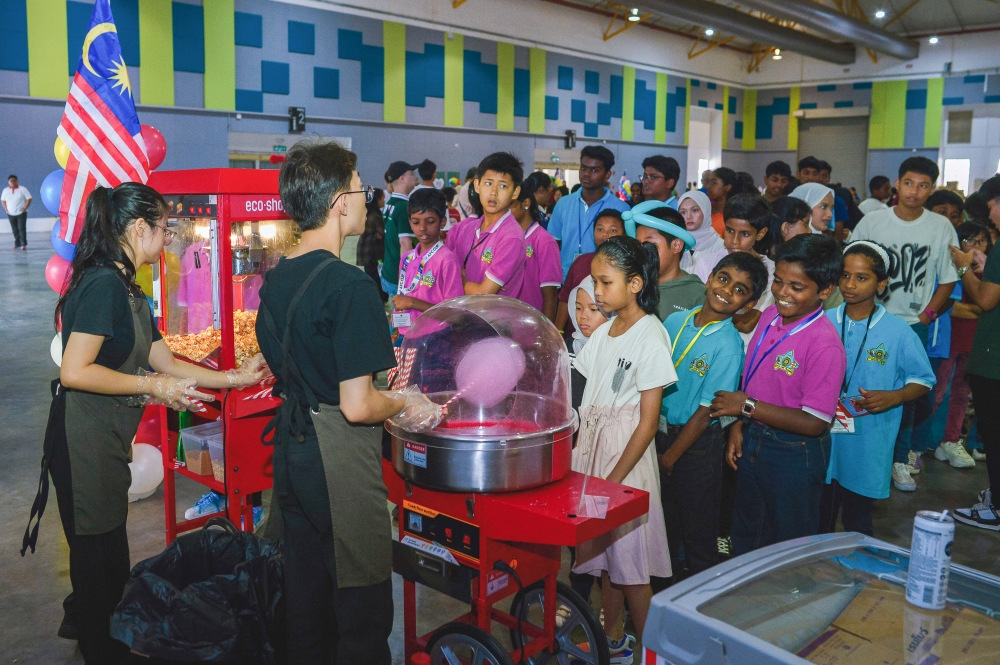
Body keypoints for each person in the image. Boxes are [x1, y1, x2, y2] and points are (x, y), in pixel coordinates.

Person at [19, 183, 268, 663]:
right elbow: (74, 371)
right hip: (82, 442)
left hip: (108, 441)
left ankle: (103, 634)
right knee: (99, 565)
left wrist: (233, 377)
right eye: (164, 227)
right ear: (138, 229)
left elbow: (166, 360)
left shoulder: (128, 286)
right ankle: (99, 646)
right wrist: (150, 386)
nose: (170, 236)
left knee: (110, 556)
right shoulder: (101, 285)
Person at [255, 142, 441, 663]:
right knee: (360, 612)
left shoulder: (276, 279)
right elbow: (358, 405)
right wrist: (406, 400)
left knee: (306, 602)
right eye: (361, 189)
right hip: (338, 462)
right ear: (340, 202)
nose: (367, 200)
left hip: (292, 456)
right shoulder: (350, 286)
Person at [710, 234, 846, 555]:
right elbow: (752, 375)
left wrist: (746, 407)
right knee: (747, 533)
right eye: (779, 282)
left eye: (796, 287)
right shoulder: (771, 315)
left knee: (787, 542)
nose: (783, 293)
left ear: (825, 291)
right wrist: (739, 426)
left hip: (794, 453)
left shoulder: (825, 345)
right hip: (755, 437)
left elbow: (814, 422)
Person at [572, 235, 675, 657]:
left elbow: (648, 423)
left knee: (631, 569)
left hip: (627, 465)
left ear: (634, 284)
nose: (596, 292)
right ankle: (612, 638)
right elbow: (582, 387)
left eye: (605, 282)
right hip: (597, 457)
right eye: (594, 282)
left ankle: (652, 653)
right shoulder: (605, 331)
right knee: (607, 565)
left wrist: (612, 483)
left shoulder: (651, 334)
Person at [851, 156, 959, 492]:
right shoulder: (872, 222)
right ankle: (852, 452)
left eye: (923, 185)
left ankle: (899, 460)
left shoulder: (940, 227)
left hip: (913, 323)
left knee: (908, 393)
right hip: (869, 319)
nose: (914, 191)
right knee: (858, 383)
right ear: (897, 184)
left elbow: (948, 279)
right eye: (909, 183)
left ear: (932, 189)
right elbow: (851, 265)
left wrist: (928, 314)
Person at [658, 252, 767, 579]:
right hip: (660, 432)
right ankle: (665, 596)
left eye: (739, 289)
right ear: (709, 278)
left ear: (747, 304)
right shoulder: (676, 321)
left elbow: (707, 412)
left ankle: (699, 604)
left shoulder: (729, 346)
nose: (726, 290)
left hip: (696, 445)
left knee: (698, 530)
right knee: (665, 527)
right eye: (723, 279)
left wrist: (669, 458)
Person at [820, 242, 935, 537]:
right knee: (818, 515)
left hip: (868, 440)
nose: (849, 284)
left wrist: (895, 396)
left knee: (857, 521)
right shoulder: (825, 321)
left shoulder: (898, 331)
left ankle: (859, 573)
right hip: (822, 435)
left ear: (881, 283)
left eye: (862, 278)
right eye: (845, 276)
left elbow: (923, 379)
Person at [949, 175, 1000, 529]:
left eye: (994, 205)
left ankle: (996, 507)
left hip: (993, 359)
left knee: (994, 434)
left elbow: (984, 300)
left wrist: (964, 267)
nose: (992, 214)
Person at [932, 223, 992, 468]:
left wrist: (978, 308)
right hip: (948, 339)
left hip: (974, 343)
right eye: (969, 240)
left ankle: (951, 439)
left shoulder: (990, 273)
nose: (975, 247)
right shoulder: (952, 269)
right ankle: (922, 443)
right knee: (937, 392)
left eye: (982, 241)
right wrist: (980, 309)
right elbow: (951, 306)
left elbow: (986, 305)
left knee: (961, 395)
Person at [446, 152, 527, 298]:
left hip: (495, 320)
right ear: (477, 185)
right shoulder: (467, 229)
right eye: (488, 183)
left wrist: (459, 279)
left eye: (503, 186)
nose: (493, 193)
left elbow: (484, 293)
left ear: (515, 192)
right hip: (464, 317)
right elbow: (449, 273)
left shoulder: (511, 237)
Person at [390, 188, 464, 340]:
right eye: (416, 222)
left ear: (442, 222)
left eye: (430, 222)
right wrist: (397, 329)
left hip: (435, 338)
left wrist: (412, 303)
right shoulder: (406, 259)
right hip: (407, 335)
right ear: (409, 222)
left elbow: (455, 315)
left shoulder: (447, 260)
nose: (422, 228)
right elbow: (403, 296)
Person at [548, 145, 631, 277]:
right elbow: (552, 246)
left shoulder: (622, 209)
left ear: (607, 175)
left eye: (595, 170)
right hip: (565, 281)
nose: (586, 174)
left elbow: (626, 251)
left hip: (606, 282)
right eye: (584, 168)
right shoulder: (563, 204)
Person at [623, 201, 703, 321]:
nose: (642, 252)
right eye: (638, 245)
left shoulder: (698, 294)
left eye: (649, 244)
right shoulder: (632, 284)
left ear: (676, 245)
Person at [555, 210, 625, 341]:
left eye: (613, 230)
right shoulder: (581, 262)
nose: (605, 234)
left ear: (624, 233)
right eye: (600, 229)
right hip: (578, 333)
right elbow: (565, 298)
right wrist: (559, 330)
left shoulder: (625, 266)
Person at [511, 180, 562, 319]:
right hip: (506, 321)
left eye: (510, 205)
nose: (504, 212)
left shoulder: (544, 241)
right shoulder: (505, 237)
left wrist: (545, 335)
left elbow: (550, 297)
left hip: (532, 323)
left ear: (526, 203)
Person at [381, 161, 420, 297]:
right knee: (404, 317)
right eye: (412, 174)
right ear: (402, 179)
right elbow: (405, 243)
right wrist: (407, 277)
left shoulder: (390, 204)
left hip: (389, 271)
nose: (415, 177)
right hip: (399, 278)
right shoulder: (404, 207)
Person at [677, 190, 724, 271]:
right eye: (683, 212)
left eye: (695, 210)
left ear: (706, 211)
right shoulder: (675, 243)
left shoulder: (720, 247)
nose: (688, 216)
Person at [357, 188, 387, 303]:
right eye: (382, 198)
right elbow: (382, 232)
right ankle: (379, 301)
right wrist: (381, 234)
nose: (384, 200)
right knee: (376, 279)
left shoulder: (367, 213)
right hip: (373, 253)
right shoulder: (375, 216)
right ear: (377, 200)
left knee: (371, 277)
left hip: (366, 252)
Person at [817, 160, 861, 233]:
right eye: (817, 175)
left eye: (824, 176)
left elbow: (838, 233)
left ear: (829, 179)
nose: (820, 179)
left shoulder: (837, 201)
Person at [2, 174, 32, 251]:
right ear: (8, 182)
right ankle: (17, 243)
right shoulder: (5, 190)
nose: (12, 182)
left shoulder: (22, 189)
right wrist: (6, 209)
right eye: (11, 181)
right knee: (14, 229)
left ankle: (23, 244)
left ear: (17, 181)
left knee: (21, 228)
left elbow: (29, 198)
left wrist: (25, 208)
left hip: (21, 213)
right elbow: (3, 200)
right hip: (10, 213)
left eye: (14, 181)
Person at [705, 167, 736, 236]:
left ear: (727, 187)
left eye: (713, 183)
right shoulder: (704, 209)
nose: (708, 186)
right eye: (708, 182)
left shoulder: (732, 214)